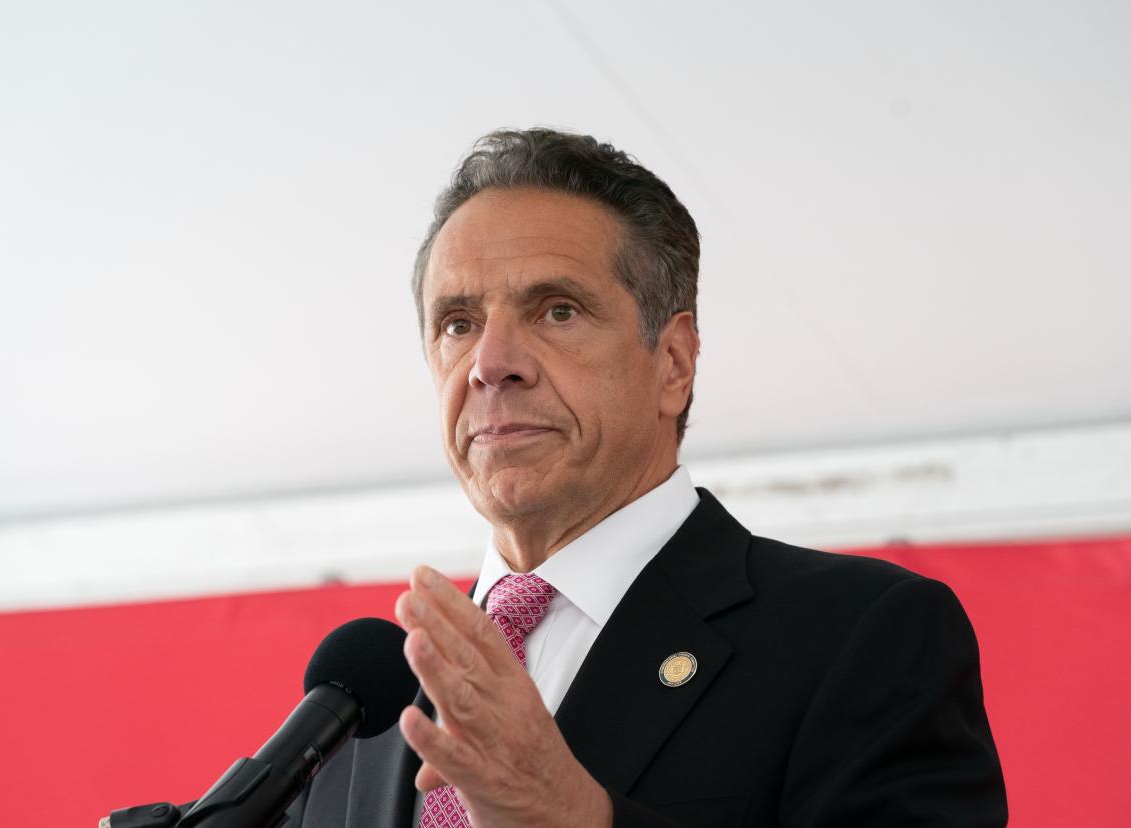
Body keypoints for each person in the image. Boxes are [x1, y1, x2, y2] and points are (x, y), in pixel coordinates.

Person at [292, 129, 1007, 827]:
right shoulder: (367, 710)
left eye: (557, 310)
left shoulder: (862, 637)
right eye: (457, 323)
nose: (491, 362)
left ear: (674, 363)